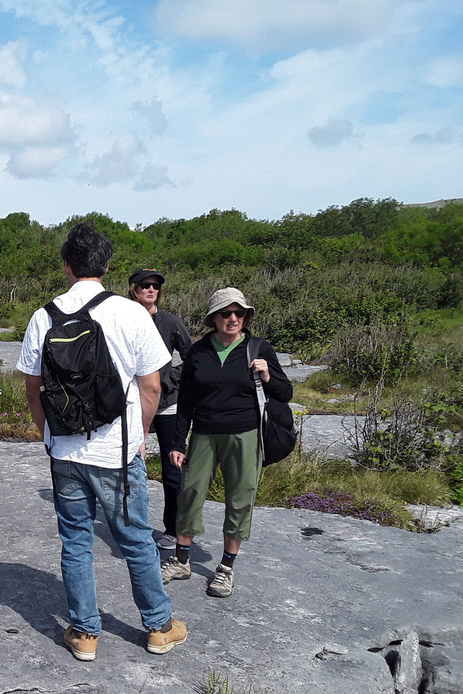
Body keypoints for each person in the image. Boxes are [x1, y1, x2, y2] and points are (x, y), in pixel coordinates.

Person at [18, 223, 187, 659]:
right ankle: (159, 627)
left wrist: (49, 437)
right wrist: (140, 436)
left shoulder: (44, 316)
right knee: (134, 538)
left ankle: (84, 633)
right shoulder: (130, 313)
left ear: (67, 265)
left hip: (65, 452)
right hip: (117, 451)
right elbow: (153, 386)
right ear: (107, 264)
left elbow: (33, 389)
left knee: (75, 541)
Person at [165, 287, 292, 598]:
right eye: (226, 313)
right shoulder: (198, 352)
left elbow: (285, 394)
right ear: (214, 318)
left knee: (239, 497)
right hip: (204, 433)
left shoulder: (258, 348)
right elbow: (186, 401)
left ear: (245, 316)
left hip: (244, 433)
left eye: (239, 313)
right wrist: (178, 442)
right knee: (190, 492)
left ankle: (225, 568)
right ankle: (181, 560)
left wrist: (267, 376)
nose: (233, 318)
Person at [128, 269, 193, 550]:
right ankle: (130, 525)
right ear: (133, 288)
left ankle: (172, 529)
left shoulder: (169, 322)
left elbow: (193, 358)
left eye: (156, 286)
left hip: (167, 404)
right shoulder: (123, 318)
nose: (151, 289)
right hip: (130, 403)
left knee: (172, 468)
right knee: (125, 466)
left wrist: (170, 379)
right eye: (145, 285)